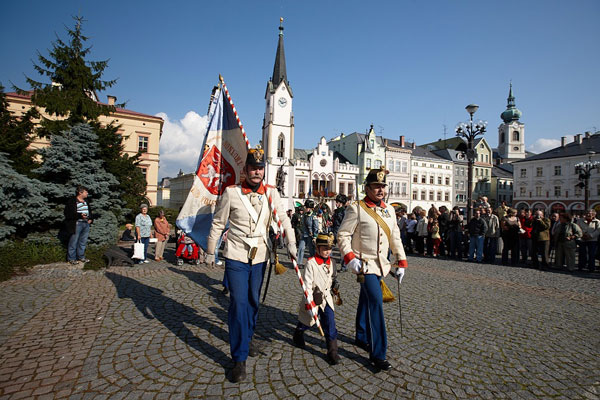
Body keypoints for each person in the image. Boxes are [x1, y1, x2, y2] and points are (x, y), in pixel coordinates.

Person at [205, 147, 296, 383]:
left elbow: (283, 219)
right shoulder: (231, 193)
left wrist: (292, 242)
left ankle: (247, 336)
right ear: (245, 170)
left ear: (264, 171)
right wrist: (210, 248)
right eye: (252, 168)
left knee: (254, 301)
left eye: (260, 168)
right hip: (236, 254)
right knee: (238, 301)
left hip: (260, 256)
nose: (256, 172)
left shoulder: (271, 193)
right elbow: (218, 222)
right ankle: (239, 357)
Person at [337, 166, 407, 372]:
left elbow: (395, 237)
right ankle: (378, 353)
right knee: (376, 302)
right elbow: (343, 235)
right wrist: (350, 258)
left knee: (366, 299)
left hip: (382, 266)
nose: (380, 190)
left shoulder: (390, 210)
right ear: (367, 188)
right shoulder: (356, 208)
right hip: (364, 265)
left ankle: (361, 335)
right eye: (376, 186)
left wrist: (401, 261)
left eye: (383, 186)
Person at [292, 233, 340, 365]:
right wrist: (310, 302)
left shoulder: (332, 262)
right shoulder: (311, 263)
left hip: (326, 299)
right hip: (313, 298)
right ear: (317, 248)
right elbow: (306, 285)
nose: (327, 251)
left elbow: (332, 278)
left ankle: (332, 352)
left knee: (330, 324)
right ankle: (298, 333)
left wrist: (335, 285)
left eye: (329, 248)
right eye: (324, 248)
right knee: (307, 322)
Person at [65, 186, 93, 264]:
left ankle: (81, 257)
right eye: (85, 192)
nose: (87, 193)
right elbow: (68, 214)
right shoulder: (72, 201)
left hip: (85, 223)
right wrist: (80, 216)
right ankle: (71, 258)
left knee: (83, 242)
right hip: (77, 224)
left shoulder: (86, 201)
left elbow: (89, 211)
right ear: (80, 192)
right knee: (73, 241)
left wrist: (90, 218)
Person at [297, 199, 319, 266]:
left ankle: (313, 263)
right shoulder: (304, 215)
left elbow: (316, 227)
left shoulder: (313, 216)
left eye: (306, 207)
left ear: (310, 208)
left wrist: (315, 236)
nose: (305, 208)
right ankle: (299, 263)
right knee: (301, 248)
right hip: (304, 234)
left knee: (311, 250)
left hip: (310, 235)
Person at [333, 194, 348, 272]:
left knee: (342, 250)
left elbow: (345, 223)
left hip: (341, 231)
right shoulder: (336, 211)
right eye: (336, 202)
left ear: (342, 203)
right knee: (329, 247)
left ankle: (344, 266)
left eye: (338, 202)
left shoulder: (344, 212)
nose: (336, 204)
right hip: (334, 231)